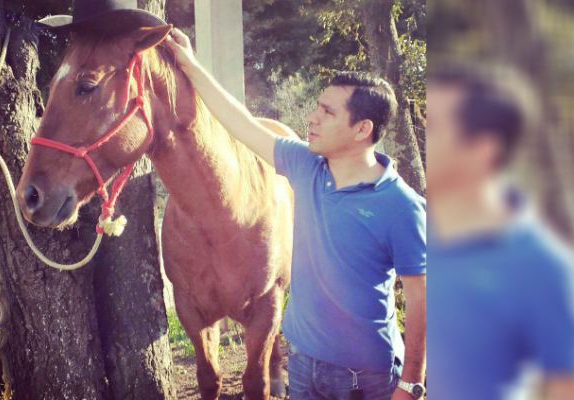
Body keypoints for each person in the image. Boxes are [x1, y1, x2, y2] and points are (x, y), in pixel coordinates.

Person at [165, 28, 427, 400]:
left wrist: (411, 383)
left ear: (362, 129)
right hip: (302, 366)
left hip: (364, 377)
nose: (311, 118)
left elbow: (421, 298)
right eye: (317, 106)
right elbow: (241, 123)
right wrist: (190, 65)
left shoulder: (401, 205)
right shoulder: (306, 165)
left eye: (327, 112)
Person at [427, 61, 574, 399]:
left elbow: (571, 389)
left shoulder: (546, 269)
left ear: (481, 151)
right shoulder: (421, 226)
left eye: (433, 126)